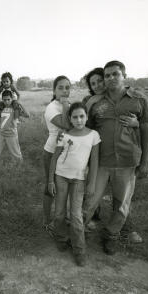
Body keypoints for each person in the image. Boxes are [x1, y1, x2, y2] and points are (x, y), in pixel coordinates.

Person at [84, 60, 148, 255]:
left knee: (122, 203)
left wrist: (145, 163)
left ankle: (111, 235)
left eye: (115, 74)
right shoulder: (95, 102)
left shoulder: (139, 99)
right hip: (100, 161)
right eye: (107, 75)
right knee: (90, 198)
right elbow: (85, 130)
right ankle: (77, 230)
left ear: (124, 75)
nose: (110, 78)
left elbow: (146, 130)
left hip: (127, 161)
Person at [82, 68, 141, 244]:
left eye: (101, 80)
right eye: (93, 83)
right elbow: (82, 125)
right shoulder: (90, 102)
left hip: (125, 158)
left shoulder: (128, 98)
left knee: (122, 198)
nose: (99, 84)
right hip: (98, 157)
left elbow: (144, 125)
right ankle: (80, 228)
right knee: (91, 196)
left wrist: (136, 123)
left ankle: (115, 233)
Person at [47, 103, 100, 266]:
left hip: (79, 180)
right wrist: (50, 180)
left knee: (76, 216)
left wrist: (92, 183)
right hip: (61, 176)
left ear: (86, 117)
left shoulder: (93, 135)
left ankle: (79, 250)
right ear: (70, 119)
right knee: (59, 213)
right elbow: (54, 158)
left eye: (82, 116)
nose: (79, 120)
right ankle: (61, 238)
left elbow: (95, 161)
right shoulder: (64, 135)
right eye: (75, 117)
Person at [43, 75, 72, 226]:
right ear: (54, 90)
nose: (64, 91)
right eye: (60, 88)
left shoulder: (69, 104)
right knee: (50, 186)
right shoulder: (52, 107)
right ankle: (47, 221)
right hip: (51, 152)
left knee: (64, 186)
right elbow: (66, 125)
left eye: (67, 87)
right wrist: (66, 105)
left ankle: (62, 216)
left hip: (67, 153)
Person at [0, 90, 30, 165]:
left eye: (8, 99)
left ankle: (20, 165)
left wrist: (20, 103)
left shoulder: (15, 108)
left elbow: (27, 115)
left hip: (11, 134)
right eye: (4, 100)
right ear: (2, 99)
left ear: (12, 99)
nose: (6, 101)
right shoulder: (1, 107)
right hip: (0, 133)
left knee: (16, 152)